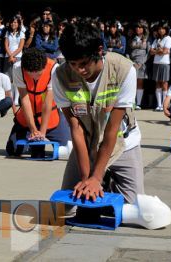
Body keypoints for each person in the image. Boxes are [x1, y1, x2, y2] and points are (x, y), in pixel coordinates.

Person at [52, 22, 145, 204]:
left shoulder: (124, 70)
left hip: (121, 143)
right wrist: (87, 178)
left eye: (84, 63)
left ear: (99, 50)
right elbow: (76, 128)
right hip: (86, 144)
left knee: (131, 207)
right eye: (73, 64)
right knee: (70, 206)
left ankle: (106, 179)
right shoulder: (60, 76)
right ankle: (99, 178)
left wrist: (97, 177)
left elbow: (112, 130)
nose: (79, 70)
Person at [5, 48, 71, 159]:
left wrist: (42, 133)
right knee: (13, 150)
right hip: (26, 118)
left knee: (68, 148)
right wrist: (33, 130)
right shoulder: (18, 68)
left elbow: (47, 103)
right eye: (31, 74)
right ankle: (31, 143)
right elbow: (24, 99)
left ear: (44, 67)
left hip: (50, 117)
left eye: (39, 74)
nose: (35, 77)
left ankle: (42, 139)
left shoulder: (53, 68)